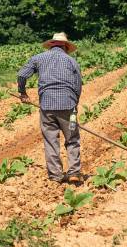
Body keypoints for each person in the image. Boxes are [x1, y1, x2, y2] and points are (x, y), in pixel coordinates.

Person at [18, 32, 83, 184]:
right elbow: (78, 84)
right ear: (66, 47)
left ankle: (55, 176)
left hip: (46, 107)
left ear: (51, 45)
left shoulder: (38, 58)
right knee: (72, 139)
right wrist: (74, 104)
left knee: (51, 140)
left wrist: (23, 93)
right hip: (69, 107)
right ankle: (74, 172)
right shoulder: (71, 61)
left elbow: (22, 75)